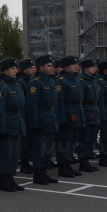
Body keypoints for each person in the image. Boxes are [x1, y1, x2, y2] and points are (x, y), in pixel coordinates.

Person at [0, 57, 26, 192]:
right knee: (6, 154)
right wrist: (1, 128)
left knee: (15, 153)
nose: (15, 70)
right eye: (12, 68)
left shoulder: (17, 84)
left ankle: (11, 177)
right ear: (4, 70)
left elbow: (22, 107)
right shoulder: (1, 86)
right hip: (7, 123)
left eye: (16, 68)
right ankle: (4, 180)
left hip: (17, 122)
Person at [25, 55, 60, 185]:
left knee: (48, 148)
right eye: (49, 66)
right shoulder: (36, 82)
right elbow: (32, 105)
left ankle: (44, 172)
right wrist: (34, 123)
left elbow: (55, 103)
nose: (52, 68)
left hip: (50, 117)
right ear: (41, 68)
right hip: (41, 118)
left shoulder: (51, 80)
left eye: (52, 66)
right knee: (40, 148)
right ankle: (38, 173)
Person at [16, 59, 36, 175]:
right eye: (30, 68)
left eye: (34, 68)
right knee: (25, 142)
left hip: (30, 115)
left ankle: (27, 161)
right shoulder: (22, 82)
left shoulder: (32, 81)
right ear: (24, 70)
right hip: (25, 116)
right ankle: (24, 163)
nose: (33, 70)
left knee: (30, 141)